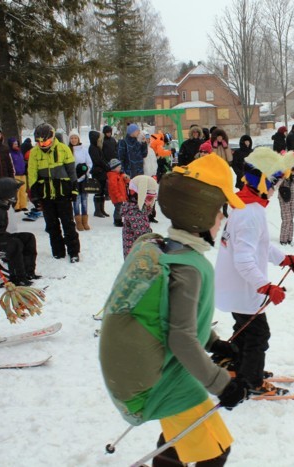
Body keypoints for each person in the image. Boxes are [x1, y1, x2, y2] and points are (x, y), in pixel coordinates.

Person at [98, 153, 248, 466]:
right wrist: (223, 385)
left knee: (179, 442)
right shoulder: (189, 268)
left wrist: (214, 342)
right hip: (159, 383)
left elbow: (173, 317)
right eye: (221, 212)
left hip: (149, 375)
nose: (223, 220)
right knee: (215, 450)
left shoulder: (166, 250)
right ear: (202, 214)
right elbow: (181, 338)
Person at [214, 147, 294, 396]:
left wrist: (284, 259)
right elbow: (243, 260)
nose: (275, 190)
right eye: (273, 183)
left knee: (244, 330)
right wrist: (266, 286)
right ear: (262, 182)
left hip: (235, 288)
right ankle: (252, 381)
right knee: (258, 335)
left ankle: (238, 366)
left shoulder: (244, 207)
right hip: (243, 289)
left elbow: (260, 245)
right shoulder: (251, 214)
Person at [27, 123, 81, 263]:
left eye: (46, 141)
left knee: (68, 223)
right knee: (51, 225)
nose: (43, 144)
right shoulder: (34, 153)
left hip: (63, 193)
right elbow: (32, 174)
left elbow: (71, 171)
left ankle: (74, 251)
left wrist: (74, 189)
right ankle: (58, 251)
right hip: (45, 194)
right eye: (40, 142)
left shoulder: (63, 149)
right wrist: (34, 194)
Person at [0, 177, 39, 286]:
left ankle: (28, 272)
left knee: (29, 237)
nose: (15, 195)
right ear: (6, 193)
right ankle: (17, 278)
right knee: (15, 244)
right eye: (14, 192)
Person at [121, 175, 158, 258]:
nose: (150, 201)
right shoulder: (135, 212)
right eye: (148, 198)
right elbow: (143, 235)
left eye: (153, 198)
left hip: (138, 253)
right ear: (140, 195)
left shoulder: (138, 210)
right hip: (136, 257)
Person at [69, 130, 93, 231]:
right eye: (72, 138)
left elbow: (89, 163)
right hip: (73, 179)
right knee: (76, 200)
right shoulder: (68, 150)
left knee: (84, 200)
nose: (74, 140)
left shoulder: (84, 150)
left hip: (83, 178)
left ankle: (85, 221)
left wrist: (85, 171)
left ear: (78, 139)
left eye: (75, 138)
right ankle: (78, 221)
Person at [278, 156, 294, 246]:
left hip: (293, 196)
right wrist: (284, 175)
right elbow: (277, 183)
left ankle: (290, 239)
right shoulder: (280, 171)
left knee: (291, 219)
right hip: (283, 196)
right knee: (286, 218)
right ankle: (283, 239)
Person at [88, 130, 110, 218]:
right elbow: (97, 160)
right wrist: (105, 166)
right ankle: (97, 210)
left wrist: (106, 165)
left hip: (102, 171)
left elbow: (102, 158)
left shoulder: (97, 147)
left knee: (102, 192)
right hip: (98, 172)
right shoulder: (92, 148)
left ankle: (101, 209)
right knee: (98, 191)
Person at [107, 158, 129, 227]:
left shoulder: (119, 175)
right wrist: (118, 196)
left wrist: (125, 177)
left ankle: (119, 219)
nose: (120, 168)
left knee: (120, 208)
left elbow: (127, 181)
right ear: (114, 168)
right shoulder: (113, 176)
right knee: (118, 208)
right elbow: (114, 188)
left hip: (121, 195)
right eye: (118, 167)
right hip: (117, 197)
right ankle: (117, 220)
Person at [8, 137, 28, 211]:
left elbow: (22, 162)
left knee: (23, 190)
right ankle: (16, 206)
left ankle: (23, 205)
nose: (16, 145)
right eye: (14, 144)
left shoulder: (19, 152)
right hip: (15, 174)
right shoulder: (10, 153)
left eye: (17, 143)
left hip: (22, 173)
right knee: (16, 191)